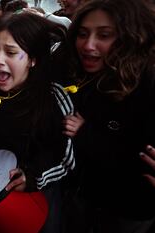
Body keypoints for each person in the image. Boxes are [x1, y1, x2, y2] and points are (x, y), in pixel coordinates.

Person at [0, 13, 74, 233]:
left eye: (10, 52)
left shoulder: (52, 97)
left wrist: (33, 177)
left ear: (32, 58)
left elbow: (65, 155)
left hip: (37, 196)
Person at [63, 0, 155, 232]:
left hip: (127, 211)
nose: (88, 44)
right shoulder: (84, 75)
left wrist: (84, 133)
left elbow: (135, 157)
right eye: (82, 34)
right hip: (86, 201)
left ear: (129, 38)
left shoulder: (147, 84)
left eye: (104, 35)